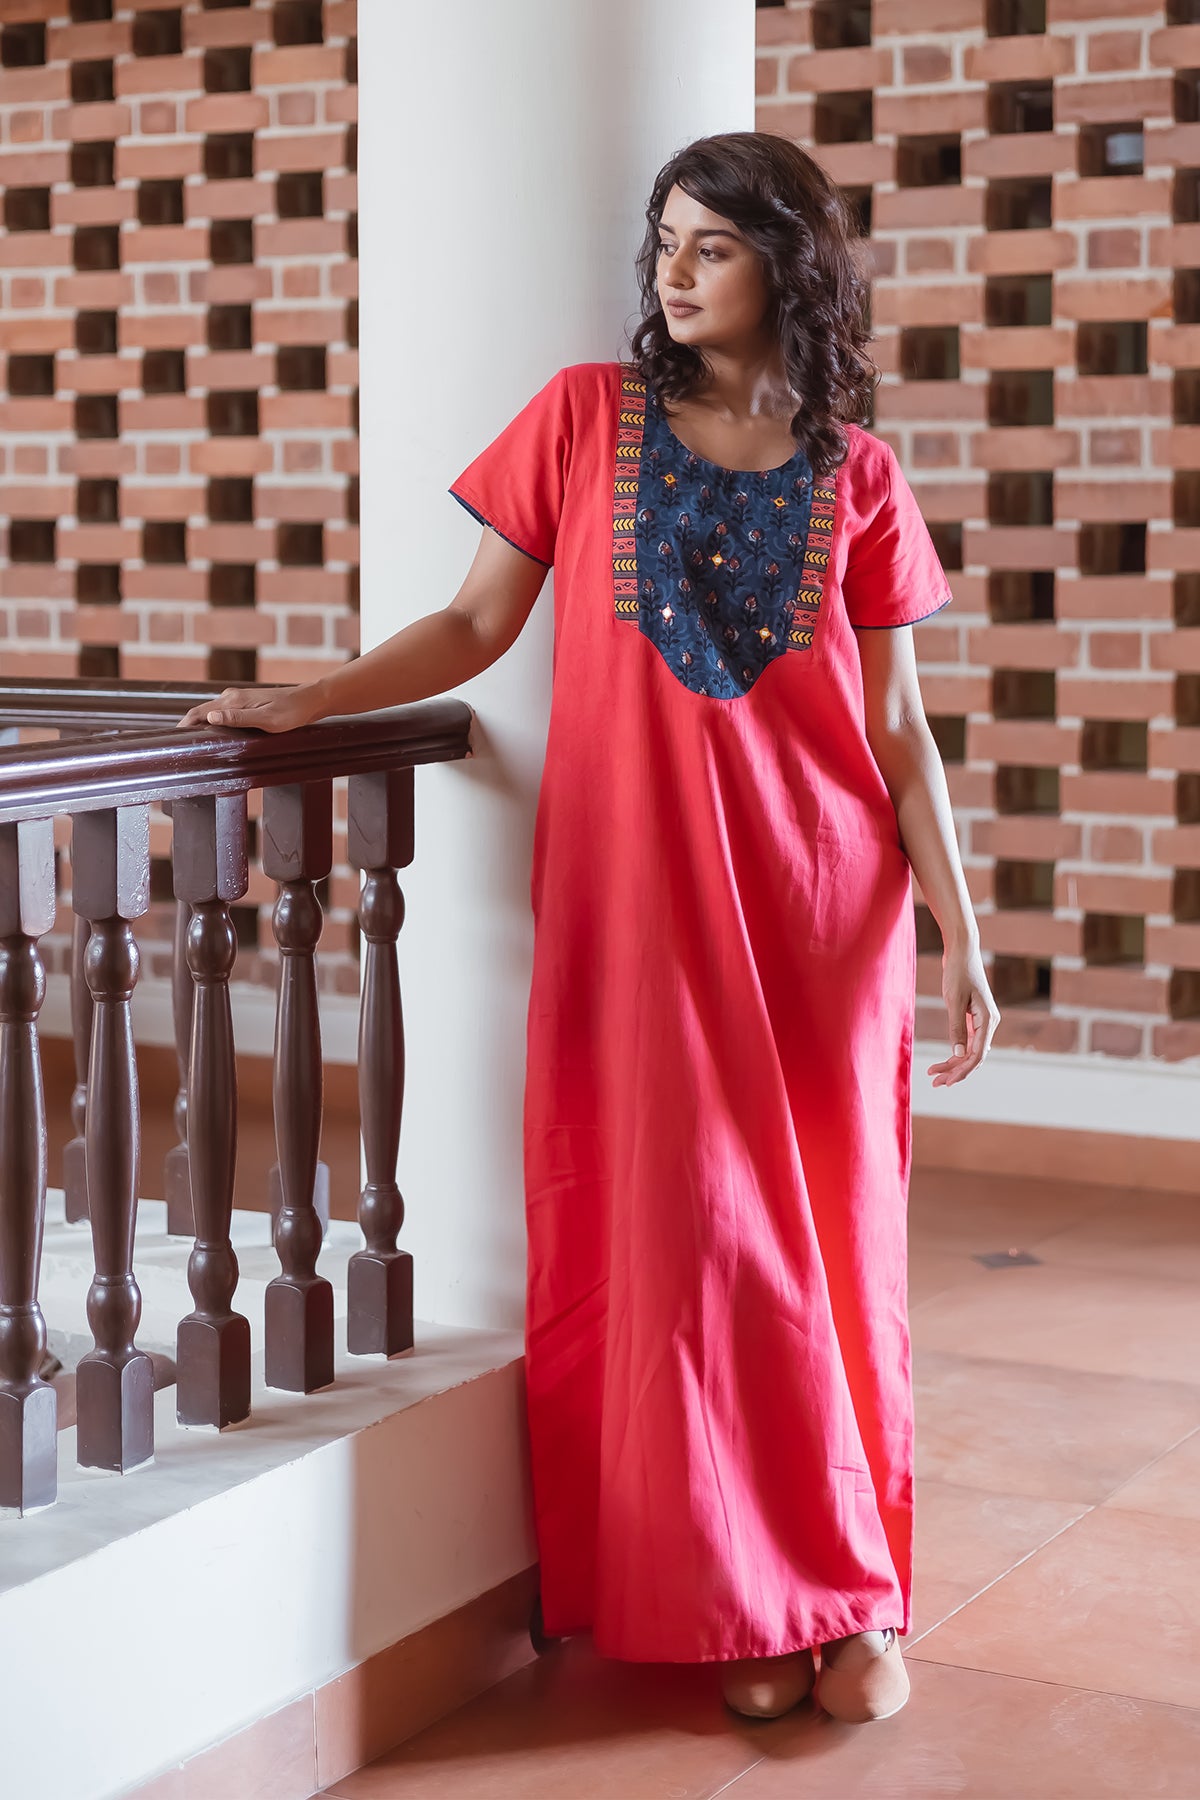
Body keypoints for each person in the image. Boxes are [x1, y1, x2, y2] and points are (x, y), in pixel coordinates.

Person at [180, 131, 999, 1727]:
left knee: (833, 1245)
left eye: (712, 247)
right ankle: (736, 1599)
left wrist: (958, 936)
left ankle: (851, 1594)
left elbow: (899, 732)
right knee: (690, 1250)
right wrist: (305, 701)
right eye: (664, 242)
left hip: (822, 908)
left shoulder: (858, 474)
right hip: (645, 909)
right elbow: (473, 623)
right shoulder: (583, 419)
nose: (673, 273)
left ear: (789, 265)